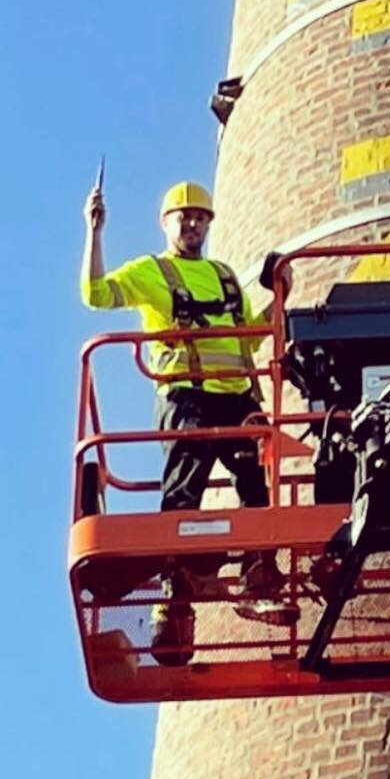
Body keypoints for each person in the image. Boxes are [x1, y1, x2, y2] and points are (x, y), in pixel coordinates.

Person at [81, 177, 295, 660]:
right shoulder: (151, 272)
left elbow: (249, 338)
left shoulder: (224, 276)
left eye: (201, 217)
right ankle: (174, 611)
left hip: (238, 397)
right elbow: (95, 294)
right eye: (185, 217)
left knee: (257, 488)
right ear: (166, 223)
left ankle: (260, 577)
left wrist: (279, 298)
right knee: (182, 500)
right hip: (188, 398)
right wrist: (95, 230)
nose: (193, 224)